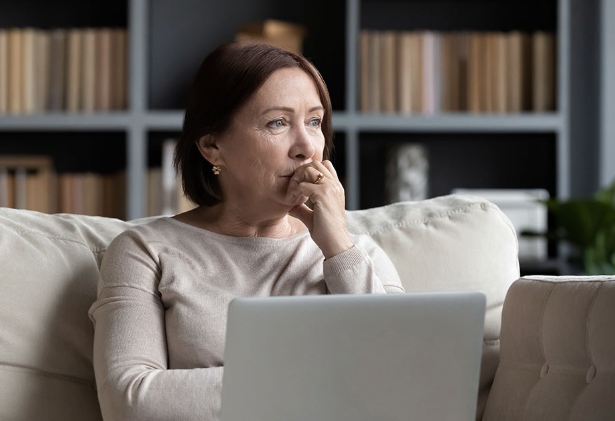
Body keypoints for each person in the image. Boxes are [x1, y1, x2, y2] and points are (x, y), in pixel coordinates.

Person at [88, 41, 405, 421]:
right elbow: (129, 401)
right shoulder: (144, 251)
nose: (307, 147)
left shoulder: (356, 254)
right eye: (278, 123)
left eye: (315, 122)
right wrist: (328, 385)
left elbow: (400, 385)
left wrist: (337, 246)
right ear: (212, 146)